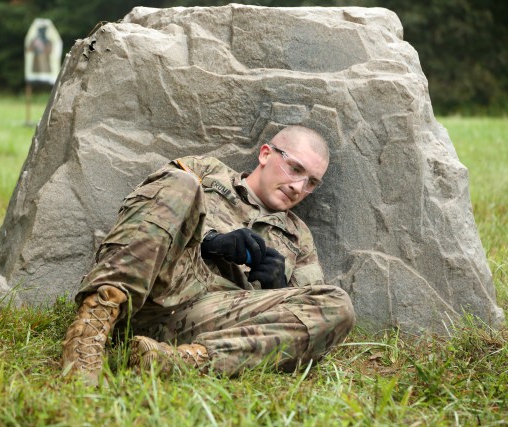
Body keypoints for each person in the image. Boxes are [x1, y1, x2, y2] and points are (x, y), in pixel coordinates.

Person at [61, 125, 355, 385]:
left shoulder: (298, 236)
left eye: (312, 183)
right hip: (154, 290)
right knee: (180, 183)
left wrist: (279, 287)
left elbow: (306, 317)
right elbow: (144, 213)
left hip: (208, 320)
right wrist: (210, 241)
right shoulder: (205, 171)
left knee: (338, 304)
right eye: (295, 169)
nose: (298, 187)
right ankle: (90, 330)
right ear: (266, 154)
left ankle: (183, 362)